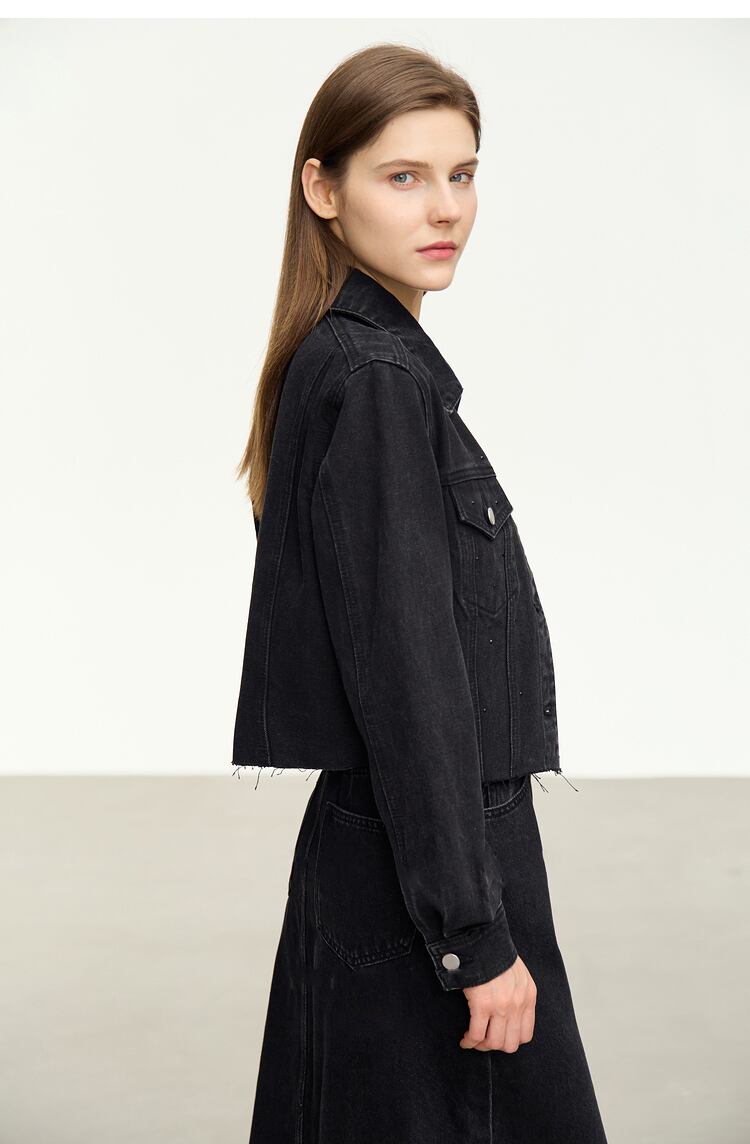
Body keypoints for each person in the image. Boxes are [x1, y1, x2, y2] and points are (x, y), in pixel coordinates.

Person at [231, 41, 609, 1144]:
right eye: (404, 176)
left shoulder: (342, 363)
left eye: (463, 173)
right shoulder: (379, 385)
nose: (446, 208)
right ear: (323, 189)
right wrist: (473, 938)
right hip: (429, 869)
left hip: (390, 850)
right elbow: (410, 682)